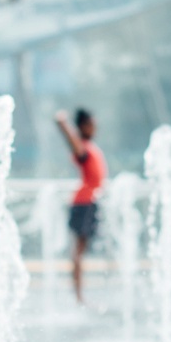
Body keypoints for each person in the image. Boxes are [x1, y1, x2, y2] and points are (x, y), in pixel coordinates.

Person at [53, 108, 106, 304]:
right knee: (78, 251)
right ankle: (78, 295)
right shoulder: (82, 147)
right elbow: (72, 143)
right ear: (83, 127)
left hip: (91, 202)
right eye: (91, 124)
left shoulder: (89, 146)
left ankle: (79, 294)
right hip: (84, 202)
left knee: (82, 250)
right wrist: (62, 124)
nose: (95, 128)